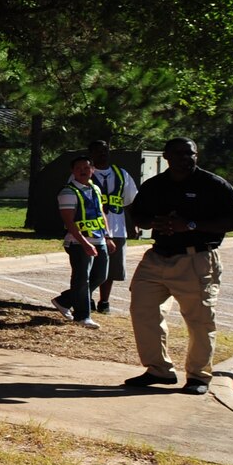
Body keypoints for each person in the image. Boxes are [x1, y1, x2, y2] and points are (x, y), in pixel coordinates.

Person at [124, 138, 233, 393]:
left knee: (200, 321)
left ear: (196, 156)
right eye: (179, 153)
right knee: (142, 309)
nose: (185, 158)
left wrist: (190, 225)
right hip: (157, 257)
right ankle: (159, 370)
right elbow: (138, 214)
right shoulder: (155, 185)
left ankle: (198, 377)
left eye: (190, 153)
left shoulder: (213, 185)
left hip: (196, 259)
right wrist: (152, 222)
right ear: (166, 156)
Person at [55, 153, 109, 329]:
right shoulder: (68, 192)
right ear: (73, 171)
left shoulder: (95, 188)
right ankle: (82, 316)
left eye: (87, 168)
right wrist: (85, 243)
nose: (83, 171)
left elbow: (101, 213)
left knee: (101, 276)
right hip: (78, 243)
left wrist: (107, 237)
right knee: (81, 279)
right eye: (79, 168)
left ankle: (64, 300)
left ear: (92, 170)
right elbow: (69, 221)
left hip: (99, 239)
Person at [87, 139, 139, 314]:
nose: (102, 153)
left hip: (117, 228)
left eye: (105, 150)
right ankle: (87, 298)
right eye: (98, 150)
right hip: (92, 229)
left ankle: (104, 302)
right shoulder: (84, 173)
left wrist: (134, 224)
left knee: (111, 269)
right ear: (91, 153)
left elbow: (130, 202)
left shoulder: (121, 173)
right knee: (91, 267)